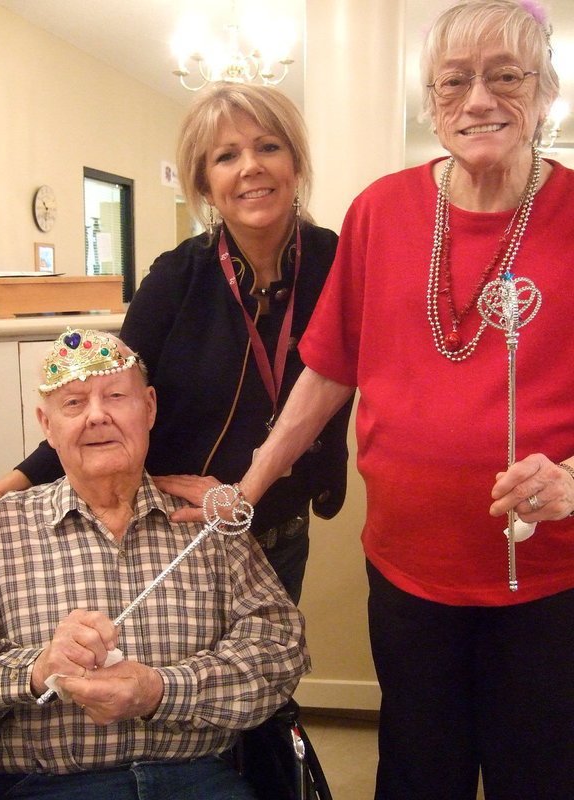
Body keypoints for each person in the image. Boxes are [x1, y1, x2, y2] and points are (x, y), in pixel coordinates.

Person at [234, 2, 574, 798]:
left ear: (547, 90)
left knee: (542, 774)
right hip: (408, 570)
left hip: (550, 579)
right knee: (422, 771)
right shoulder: (380, 210)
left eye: (505, 77)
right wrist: (247, 490)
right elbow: (327, 371)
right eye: (454, 81)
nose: (478, 100)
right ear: (430, 100)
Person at [0, 82, 353, 605]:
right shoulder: (177, 276)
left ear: (295, 162)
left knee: (266, 671)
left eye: (269, 146)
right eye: (226, 156)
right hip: (181, 526)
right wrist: (2, 490)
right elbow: (109, 398)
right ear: (204, 181)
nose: (250, 167)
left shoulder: (338, 262)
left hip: (280, 522)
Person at [0, 328, 309, 800]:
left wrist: (159, 690)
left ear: (149, 407)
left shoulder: (205, 521)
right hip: (47, 785)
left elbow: (280, 651)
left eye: (115, 395)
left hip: (198, 779)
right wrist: (36, 668)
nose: (97, 416)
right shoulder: (0, 528)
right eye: (73, 403)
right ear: (45, 425)